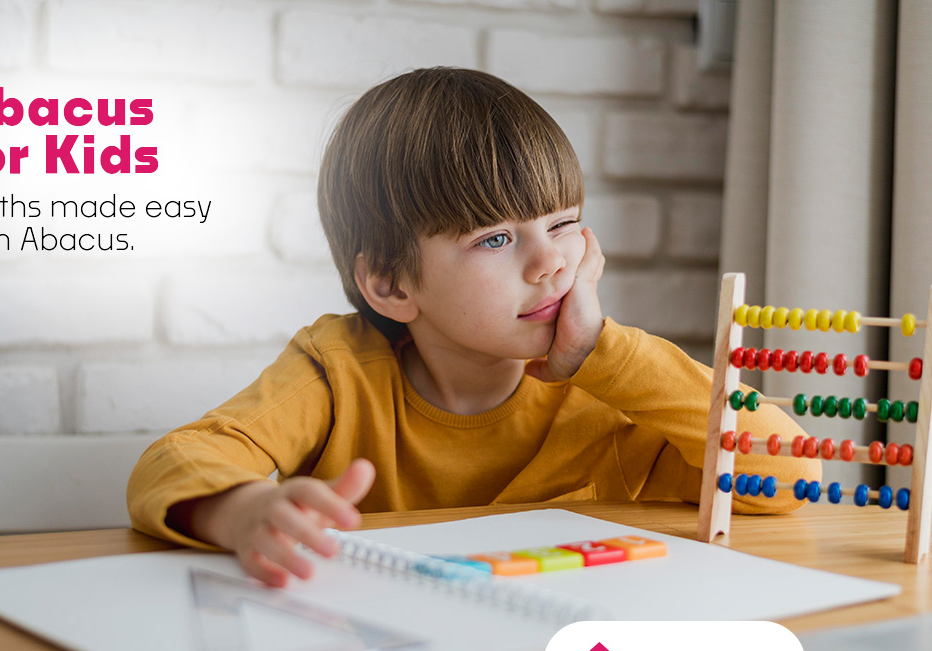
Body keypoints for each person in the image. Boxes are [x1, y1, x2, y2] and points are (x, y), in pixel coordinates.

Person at [128, 67, 819, 586]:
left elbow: (788, 474)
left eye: (564, 224)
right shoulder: (336, 371)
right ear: (392, 284)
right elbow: (178, 459)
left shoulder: (611, 387)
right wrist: (242, 511)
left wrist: (604, 354)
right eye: (494, 239)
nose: (550, 262)